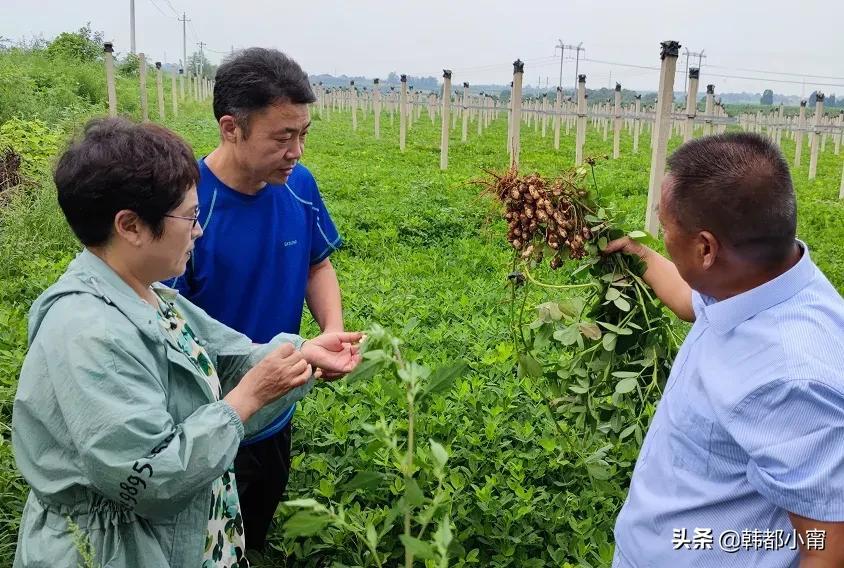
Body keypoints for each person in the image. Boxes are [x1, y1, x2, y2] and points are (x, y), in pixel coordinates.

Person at [11, 117, 361, 567]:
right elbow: (149, 477)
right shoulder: (89, 333)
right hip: (115, 548)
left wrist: (301, 355)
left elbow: (229, 357)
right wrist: (247, 400)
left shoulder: (149, 293)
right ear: (131, 225)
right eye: (190, 217)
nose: (198, 230)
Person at [608, 132, 844, 567]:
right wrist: (637, 255)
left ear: (705, 248)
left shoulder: (792, 377)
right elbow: (687, 299)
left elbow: (828, 550)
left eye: (665, 227)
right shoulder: (760, 277)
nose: (662, 234)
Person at [170, 48, 345, 554]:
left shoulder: (299, 187)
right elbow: (166, 321)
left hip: (276, 404)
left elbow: (317, 263)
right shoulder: (187, 206)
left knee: (255, 527)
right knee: (200, 543)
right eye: (283, 137)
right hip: (206, 419)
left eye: (303, 134)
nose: (297, 152)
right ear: (231, 128)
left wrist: (330, 329)